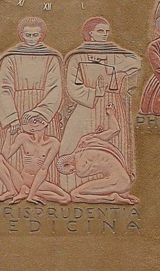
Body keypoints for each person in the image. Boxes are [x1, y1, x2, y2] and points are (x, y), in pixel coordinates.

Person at [0, 17, 63, 202]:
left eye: (36, 35)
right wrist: (12, 118)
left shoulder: (51, 57)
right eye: (28, 35)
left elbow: (55, 87)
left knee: (40, 149)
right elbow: (3, 88)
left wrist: (41, 112)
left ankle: (41, 188)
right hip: (15, 106)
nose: (32, 38)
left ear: (43, 35)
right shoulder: (10, 57)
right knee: (8, 148)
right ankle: (1, 188)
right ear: (21, 35)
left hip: (42, 110)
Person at [59, 17, 140, 192]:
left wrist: (120, 74)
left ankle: (113, 186)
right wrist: (94, 93)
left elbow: (136, 63)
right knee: (76, 142)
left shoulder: (115, 53)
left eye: (106, 31)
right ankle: (76, 186)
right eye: (100, 31)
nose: (104, 35)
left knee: (114, 137)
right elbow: (72, 85)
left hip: (112, 103)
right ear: (90, 34)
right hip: (89, 104)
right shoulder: (77, 56)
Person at [57, 103, 138, 204]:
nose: (73, 170)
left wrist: (76, 169)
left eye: (70, 170)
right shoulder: (86, 140)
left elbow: (83, 172)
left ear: (68, 163)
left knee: (74, 195)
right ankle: (118, 194)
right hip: (122, 181)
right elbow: (115, 130)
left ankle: (112, 198)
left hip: (118, 182)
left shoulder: (80, 166)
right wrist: (111, 114)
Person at [0, 112, 71, 205]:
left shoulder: (53, 143)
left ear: (45, 124)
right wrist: (9, 134)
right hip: (21, 179)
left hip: (39, 182)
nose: (40, 122)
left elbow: (44, 169)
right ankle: (11, 191)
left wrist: (32, 194)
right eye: (34, 121)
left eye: (38, 120)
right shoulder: (23, 137)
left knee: (66, 198)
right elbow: (5, 156)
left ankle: (27, 192)